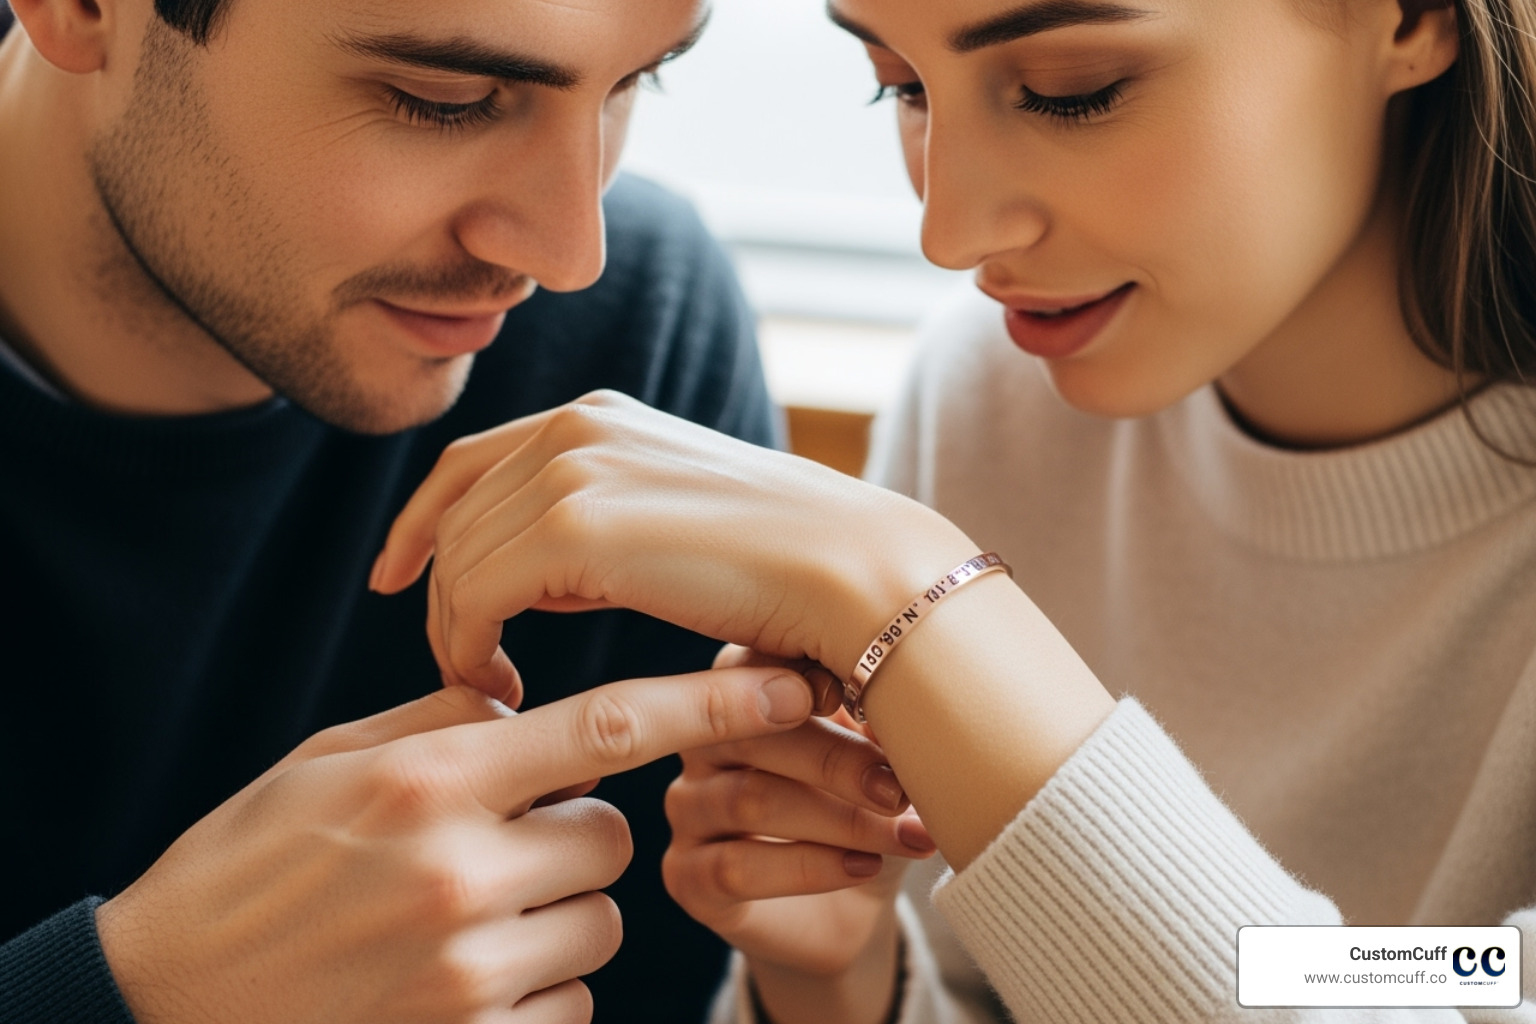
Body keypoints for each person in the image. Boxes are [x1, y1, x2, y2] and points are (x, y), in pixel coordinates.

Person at [367, 0, 1536, 1020]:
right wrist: (846, 979)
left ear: (1412, 15)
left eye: (1071, 91)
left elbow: (1446, 987)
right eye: (904, 87)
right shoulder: (995, 396)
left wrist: (923, 600)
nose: (951, 234)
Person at [0, 0, 822, 1020]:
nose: (570, 255)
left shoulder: (634, 341)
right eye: (446, 101)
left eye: (633, 82)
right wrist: (134, 994)